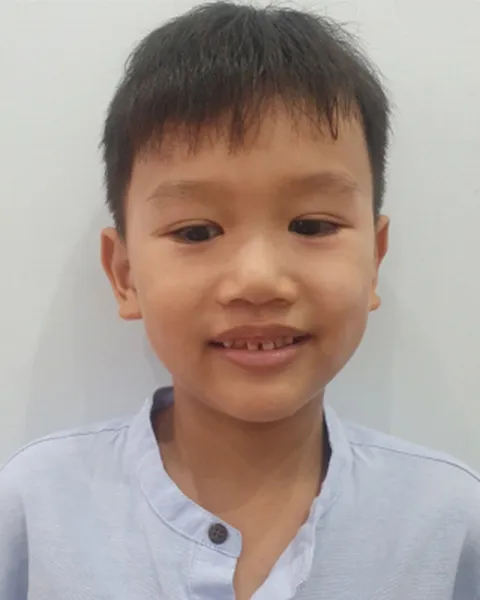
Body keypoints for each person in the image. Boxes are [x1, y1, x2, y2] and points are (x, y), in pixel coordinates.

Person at [1, 2, 479, 599]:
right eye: (196, 232)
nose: (258, 280)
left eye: (312, 225)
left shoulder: (448, 521)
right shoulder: (37, 507)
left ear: (375, 260)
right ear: (124, 275)